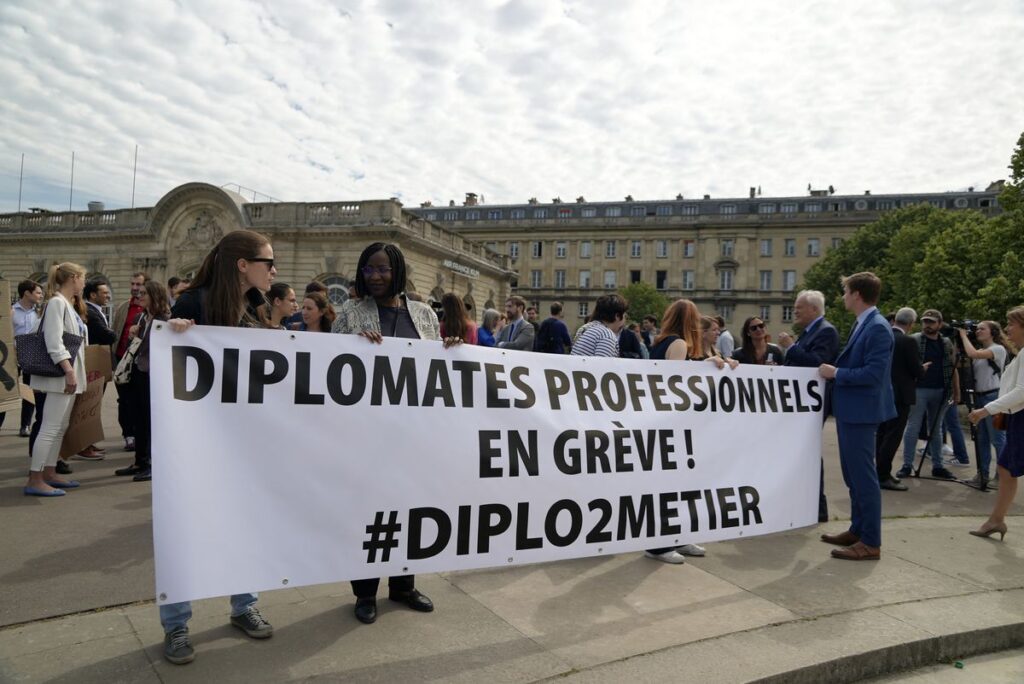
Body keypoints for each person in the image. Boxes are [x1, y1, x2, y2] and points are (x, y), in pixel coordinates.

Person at [161, 229, 277, 664]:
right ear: (243, 265)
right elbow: (165, 367)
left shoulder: (254, 307)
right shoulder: (193, 303)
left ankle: (243, 605)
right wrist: (174, 334)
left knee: (244, 525)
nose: (274, 271)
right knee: (185, 530)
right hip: (195, 444)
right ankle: (176, 625)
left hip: (242, 442)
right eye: (268, 262)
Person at [331, 242, 447, 624]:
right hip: (366, 436)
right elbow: (327, 366)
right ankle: (365, 592)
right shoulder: (349, 312)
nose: (375, 277)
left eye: (381, 269)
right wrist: (353, 347)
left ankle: (403, 585)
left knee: (410, 510)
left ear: (397, 271)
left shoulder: (425, 314)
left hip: (414, 436)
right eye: (368, 270)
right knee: (368, 513)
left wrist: (453, 350)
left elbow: (437, 367)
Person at [819, 272, 895, 561]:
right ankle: (858, 529)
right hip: (854, 411)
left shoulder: (876, 327)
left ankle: (871, 542)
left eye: (846, 291)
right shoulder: (865, 323)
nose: (843, 297)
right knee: (853, 475)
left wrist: (836, 372)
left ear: (857, 295)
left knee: (863, 478)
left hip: (862, 412)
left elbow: (873, 374)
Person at [24, 263, 89, 497]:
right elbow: (54, 341)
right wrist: (69, 371)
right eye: (82, 278)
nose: (84, 283)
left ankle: (49, 472)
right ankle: (35, 478)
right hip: (60, 374)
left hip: (67, 373)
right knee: (50, 427)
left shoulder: (65, 304)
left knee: (59, 426)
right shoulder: (57, 303)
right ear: (73, 278)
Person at [783, 289, 840, 521]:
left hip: (812, 404)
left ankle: (818, 507)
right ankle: (804, 502)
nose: (794, 310)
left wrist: (791, 348)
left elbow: (818, 363)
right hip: (800, 402)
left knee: (809, 453)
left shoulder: (825, 332)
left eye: (799, 307)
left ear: (814, 309)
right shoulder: (810, 332)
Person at [967, 306, 1024, 541]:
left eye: (1012, 324)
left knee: (1007, 468)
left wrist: (985, 410)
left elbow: (1022, 391)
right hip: (1017, 416)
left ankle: (996, 520)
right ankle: (996, 520)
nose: (1007, 328)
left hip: (1021, 416)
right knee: (1006, 468)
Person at [114, 280, 171, 482]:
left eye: (144, 293)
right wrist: (133, 335)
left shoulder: (164, 319)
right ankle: (140, 460)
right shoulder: (141, 318)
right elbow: (135, 346)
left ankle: (150, 464)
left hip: (153, 374)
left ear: (155, 295)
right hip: (137, 371)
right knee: (137, 417)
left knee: (148, 420)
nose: (140, 295)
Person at [897, 309, 960, 481]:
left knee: (936, 429)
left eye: (931, 322)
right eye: (925, 321)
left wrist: (956, 391)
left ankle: (938, 466)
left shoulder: (946, 343)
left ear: (940, 324)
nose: (927, 325)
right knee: (913, 427)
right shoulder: (915, 340)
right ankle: (907, 465)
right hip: (919, 389)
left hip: (941, 390)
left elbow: (954, 368)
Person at [875, 308, 927, 492]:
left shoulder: (883, 336)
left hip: (882, 392)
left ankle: (878, 471)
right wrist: (922, 368)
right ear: (912, 324)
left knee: (881, 434)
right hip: (900, 394)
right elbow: (916, 370)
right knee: (893, 435)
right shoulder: (908, 341)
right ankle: (883, 474)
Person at [960, 321, 1011, 487]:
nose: (978, 331)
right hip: (980, 398)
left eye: (983, 329)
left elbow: (972, 353)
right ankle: (982, 474)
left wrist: (962, 335)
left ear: (993, 332)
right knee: (981, 439)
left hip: (993, 397)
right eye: (977, 329)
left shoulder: (998, 349)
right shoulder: (981, 351)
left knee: (997, 439)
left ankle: (1001, 476)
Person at [112, 272, 147, 452]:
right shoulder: (124, 307)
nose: (134, 288)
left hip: (142, 362)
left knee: (140, 400)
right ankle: (128, 434)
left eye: (138, 284)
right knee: (124, 400)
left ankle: (140, 435)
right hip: (122, 359)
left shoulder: (150, 309)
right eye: (132, 284)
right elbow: (115, 331)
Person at [11, 280, 44, 438]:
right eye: (37, 292)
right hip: (12, 356)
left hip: (32, 356)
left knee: (30, 390)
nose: (40, 295)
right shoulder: (11, 311)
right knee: (6, 390)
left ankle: (25, 425)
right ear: (27, 293)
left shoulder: (38, 313)